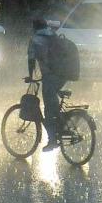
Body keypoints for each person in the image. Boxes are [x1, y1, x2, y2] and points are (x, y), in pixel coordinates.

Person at [28, 18, 66, 152]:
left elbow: (31, 60)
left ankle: (52, 140)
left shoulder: (35, 39)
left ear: (34, 28)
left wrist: (31, 77)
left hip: (50, 75)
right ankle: (61, 123)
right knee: (53, 102)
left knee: (48, 109)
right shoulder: (54, 36)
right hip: (64, 74)